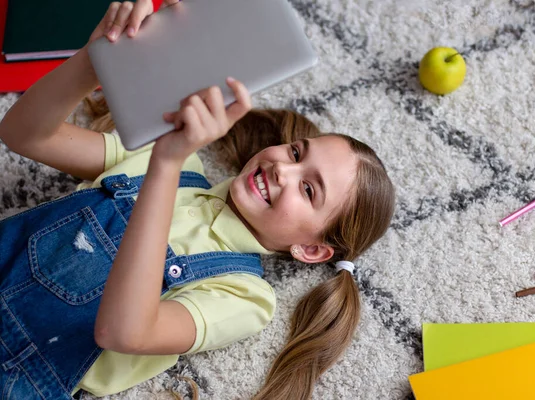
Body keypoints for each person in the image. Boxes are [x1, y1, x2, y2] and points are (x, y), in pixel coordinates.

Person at [0, 1, 395, 399]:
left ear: (310, 249)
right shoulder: (178, 159)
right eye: (295, 152)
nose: (283, 170)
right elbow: (23, 135)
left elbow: (121, 331)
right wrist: (92, 61)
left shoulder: (245, 296)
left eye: (309, 190)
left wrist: (165, 165)